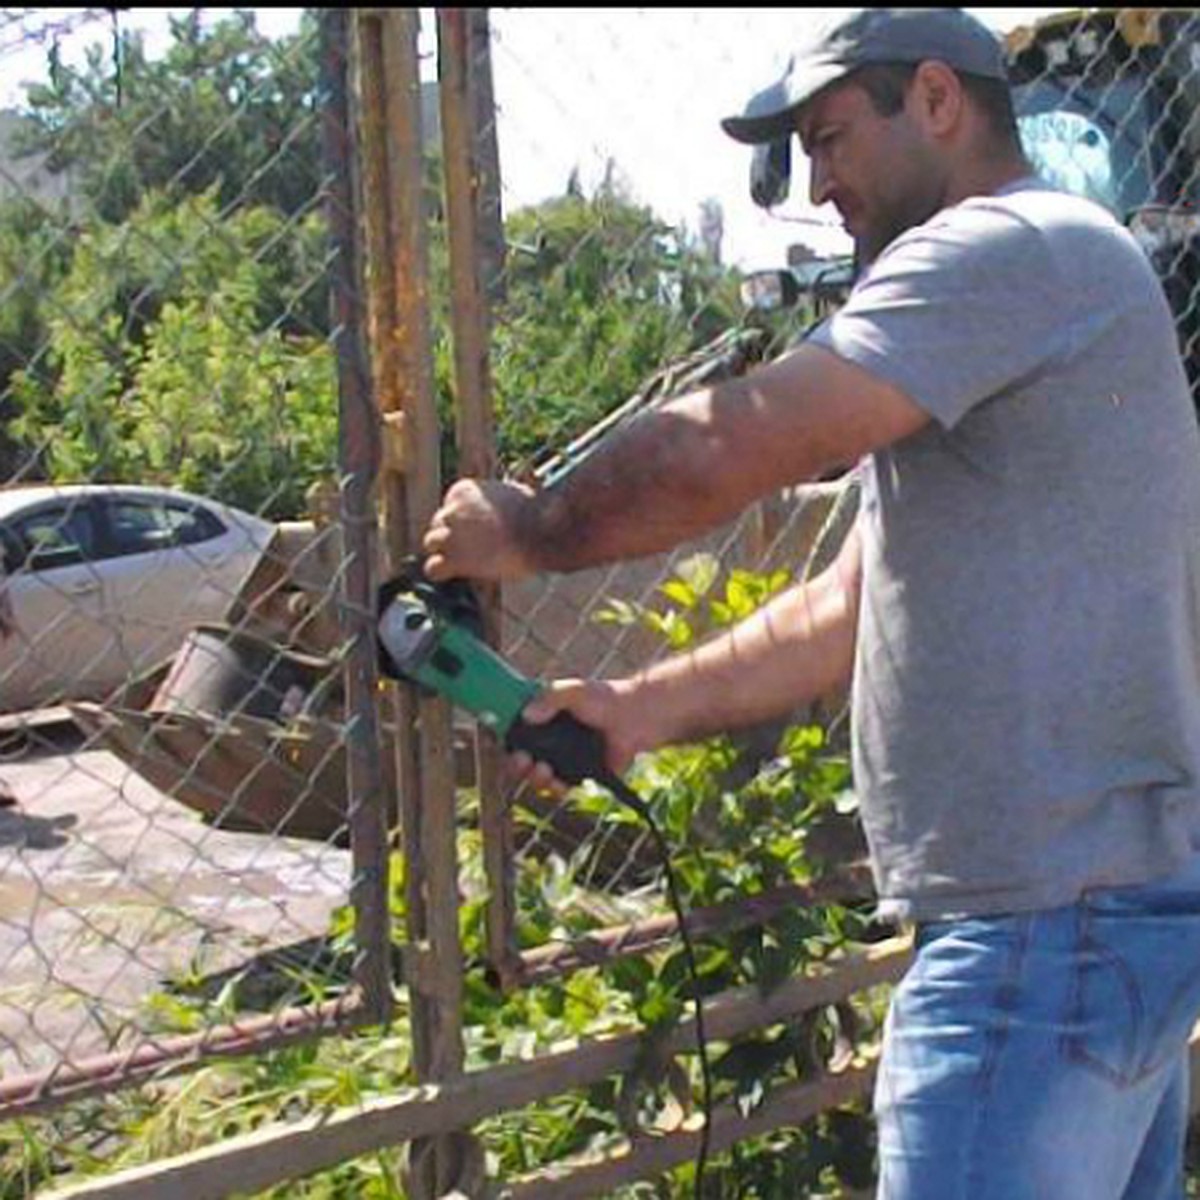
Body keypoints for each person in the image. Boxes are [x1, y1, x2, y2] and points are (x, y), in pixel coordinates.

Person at [423, 9, 1200, 1197]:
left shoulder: (1007, 247)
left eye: (832, 138)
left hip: (1041, 935)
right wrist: (636, 706)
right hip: (1088, 922)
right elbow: (851, 606)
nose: (820, 184)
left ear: (937, 100)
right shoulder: (1033, 300)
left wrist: (528, 530)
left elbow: (731, 446)